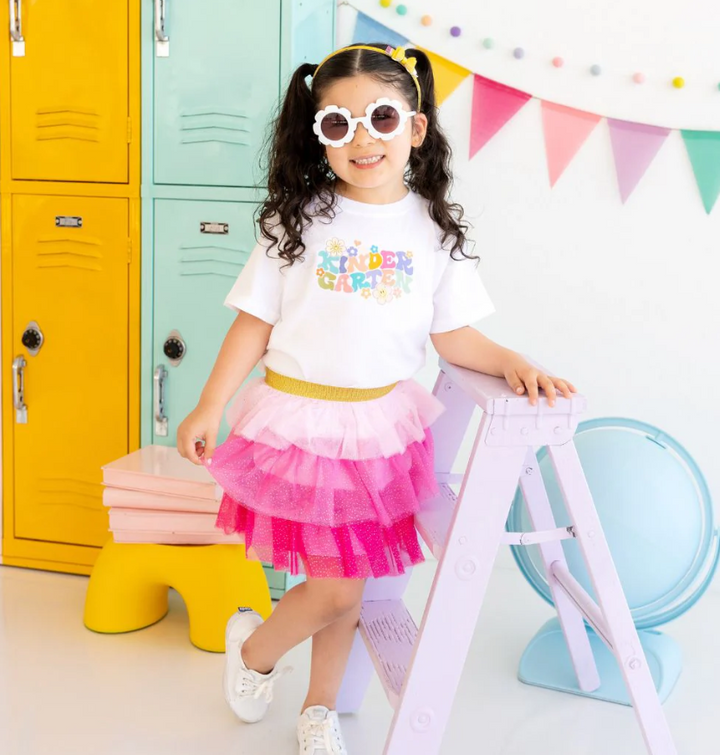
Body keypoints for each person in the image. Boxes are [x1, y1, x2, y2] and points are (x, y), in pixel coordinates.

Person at [177, 42, 576, 755]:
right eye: (339, 124)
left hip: (378, 430)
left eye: (381, 118)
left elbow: (453, 336)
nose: (362, 139)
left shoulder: (431, 230)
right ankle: (255, 652)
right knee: (336, 587)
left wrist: (512, 361)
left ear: (415, 128)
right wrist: (210, 404)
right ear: (319, 137)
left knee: (347, 585)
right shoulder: (299, 221)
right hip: (299, 422)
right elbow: (254, 322)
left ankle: (318, 707)